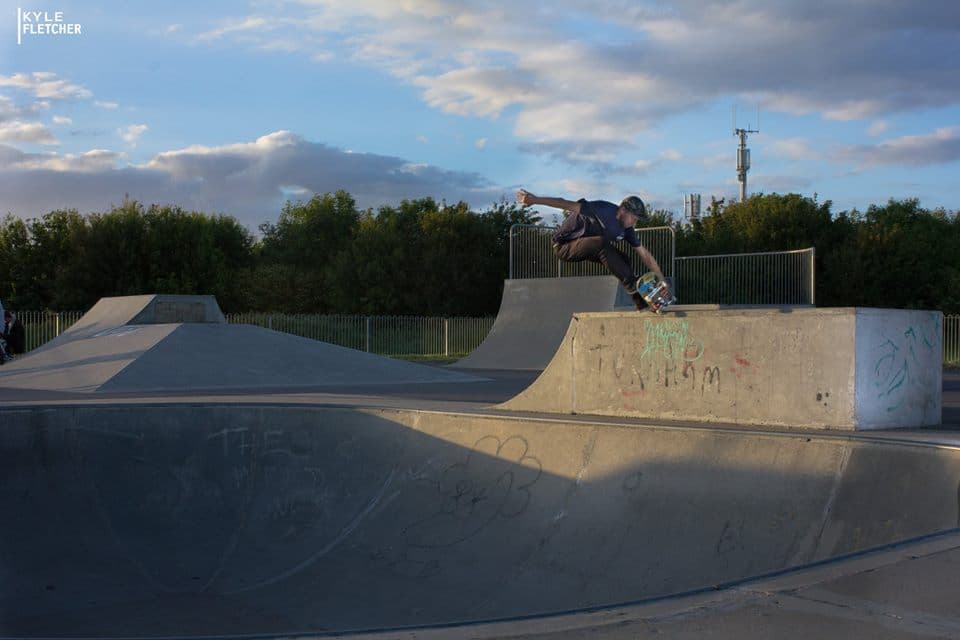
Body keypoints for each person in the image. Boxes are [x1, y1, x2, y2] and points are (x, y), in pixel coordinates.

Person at [516, 189, 669, 310]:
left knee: (624, 259)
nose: (634, 224)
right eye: (634, 219)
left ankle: (639, 302)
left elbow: (644, 254)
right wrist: (535, 200)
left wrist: (662, 279)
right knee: (601, 243)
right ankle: (634, 290)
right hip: (564, 246)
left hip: (590, 246)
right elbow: (564, 203)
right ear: (622, 211)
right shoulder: (600, 209)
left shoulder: (627, 228)